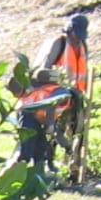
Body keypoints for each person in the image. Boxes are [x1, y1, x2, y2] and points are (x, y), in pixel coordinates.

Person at [15, 9, 91, 173]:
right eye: (75, 34)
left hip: (69, 95)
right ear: (69, 30)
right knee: (30, 147)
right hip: (40, 102)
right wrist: (63, 141)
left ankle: (42, 170)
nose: (77, 39)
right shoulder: (59, 43)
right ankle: (19, 174)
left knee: (44, 143)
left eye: (80, 35)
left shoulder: (82, 46)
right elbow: (43, 70)